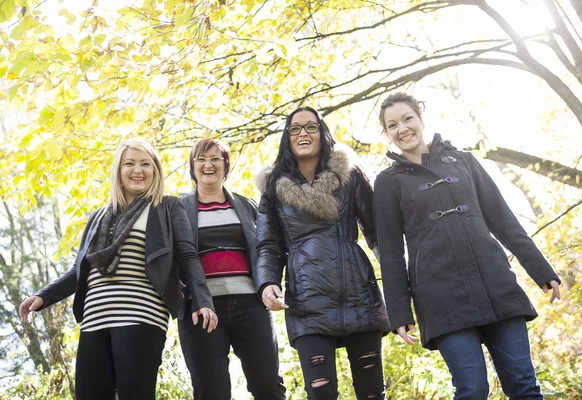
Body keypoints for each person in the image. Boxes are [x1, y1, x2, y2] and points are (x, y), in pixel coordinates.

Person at [374, 91, 562, 399]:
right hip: (440, 298)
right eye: (392, 125)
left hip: (496, 285)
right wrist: (399, 312)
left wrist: (541, 269)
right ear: (387, 134)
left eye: (408, 118)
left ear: (421, 119)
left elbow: (503, 221)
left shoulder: (463, 161)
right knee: (472, 389)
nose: (402, 128)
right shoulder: (388, 183)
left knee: (524, 386)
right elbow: (391, 253)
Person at [18, 138, 217, 400]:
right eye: (130, 164)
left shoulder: (166, 207)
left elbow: (189, 256)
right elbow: (80, 269)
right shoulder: (99, 216)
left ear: (155, 170)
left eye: (146, 164)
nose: (138, 170)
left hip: (141, 316)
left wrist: (203, 300)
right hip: (94, 319)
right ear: (118, 171)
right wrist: (43, 296)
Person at [255, 106, 390, 400]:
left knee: (372, 394)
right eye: (295, 128)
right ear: (287, 137)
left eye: (310, 127)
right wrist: (267, 283)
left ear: (322, 132)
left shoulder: (350, 175)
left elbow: (376, 233)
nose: (303, 133)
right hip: (306, 299)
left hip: (358, 294)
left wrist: (399, 277)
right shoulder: (273, 189)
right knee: (321, 393)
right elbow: (268, 245)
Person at [178, 137, 286, 400]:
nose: (208, 164)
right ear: (192, 167)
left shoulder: (247, 205)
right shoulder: (177, 209)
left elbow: (268, 248)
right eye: (201, 159)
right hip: (201, 311)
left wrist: (270, 285)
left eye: (216, 159)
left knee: (268, 385)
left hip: (250, 305)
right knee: (210, 391)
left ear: (226, 166)